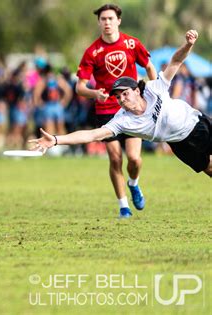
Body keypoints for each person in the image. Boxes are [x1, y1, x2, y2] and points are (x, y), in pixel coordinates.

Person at [31, 30, 210, 189]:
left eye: (124, 94)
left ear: (137, 90)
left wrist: (187, 44)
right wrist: (55, 140)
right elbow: (91, 135)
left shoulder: (154, 88)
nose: (121, 100)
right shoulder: (123, 120)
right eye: (117, 97)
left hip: (197, 123)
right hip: (180, 143)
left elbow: (176, 61)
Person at [76, 4, 157, 218]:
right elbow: (80, 87)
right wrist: (95, 94)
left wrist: (155, 91)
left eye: (111, 18)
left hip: (131, 108)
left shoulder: (131, 43)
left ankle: (134, 183)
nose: (107, 22)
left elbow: (149, 66)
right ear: (99, 22)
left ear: (118, 21)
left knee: (135, 159)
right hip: (105, 109)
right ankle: (123, 207)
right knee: (115, 159)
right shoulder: (92, 51)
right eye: (103, 19)